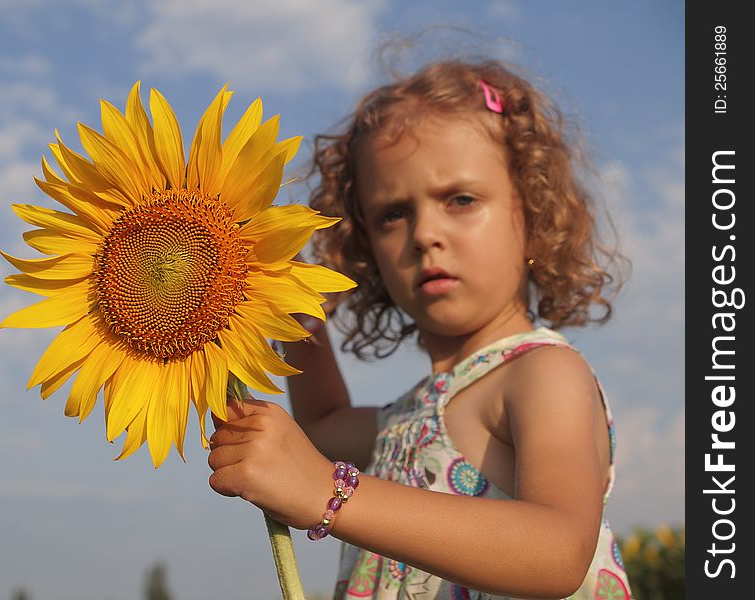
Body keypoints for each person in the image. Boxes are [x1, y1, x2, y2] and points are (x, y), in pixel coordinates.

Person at [207, 60, 632, 600]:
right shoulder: (405, 419)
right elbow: (320, 426)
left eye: (461, 200)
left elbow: (557, 552)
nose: (425, 233)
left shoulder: (543, 373)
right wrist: (284, 297)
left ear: (533, 213)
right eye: (392, 214)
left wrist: (328, 494)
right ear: (365, 248)